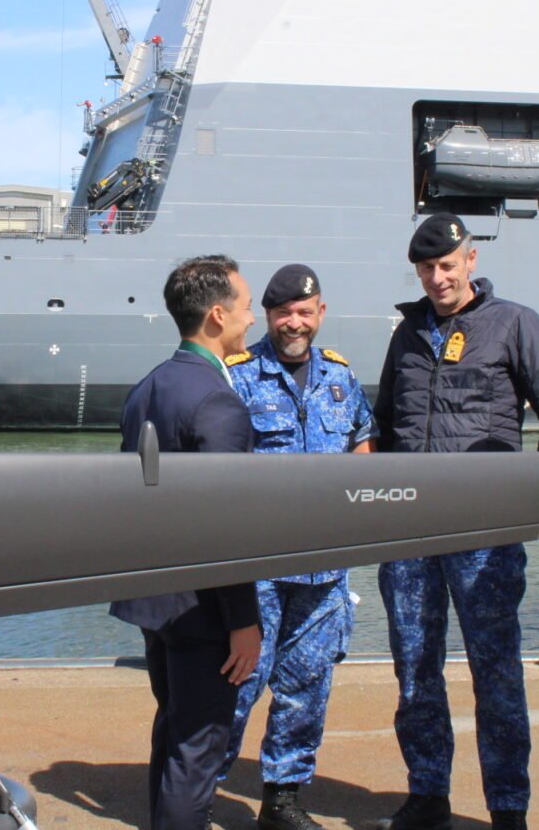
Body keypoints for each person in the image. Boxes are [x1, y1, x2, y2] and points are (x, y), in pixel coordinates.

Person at [372, 212, 539, 830]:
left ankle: (508, 808)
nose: (437, 279)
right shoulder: (406, 336)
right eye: (427, 269)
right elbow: (382, 428)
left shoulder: (514, 324)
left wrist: (536, 501)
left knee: (496, 672)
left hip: (485, 535)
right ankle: (428, 793)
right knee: (415, 669)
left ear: (471, 261)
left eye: (447, 266)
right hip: (410, 532)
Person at [219, 264, 377, 830]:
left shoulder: (340, 375)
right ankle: (197, 788)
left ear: (320, 314)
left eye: (304, 313)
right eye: (284, 313)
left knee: (306, 688)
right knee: (239, 682)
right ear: (268, 316)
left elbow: (362, 438)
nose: (294, 323)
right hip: (259, 565)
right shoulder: (239, 376)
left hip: (324, 570)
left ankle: (282, 800)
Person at [114, 254, 264, 830]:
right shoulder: (218, 400)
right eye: (247, 308)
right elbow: (225, 523)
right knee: (198, 750)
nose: (252, 320)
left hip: (156, 600)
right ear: (217, 315)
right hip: (204, 608)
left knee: (174, 729)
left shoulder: (146, 389)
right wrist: (243, 619)